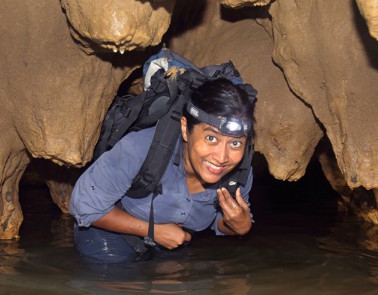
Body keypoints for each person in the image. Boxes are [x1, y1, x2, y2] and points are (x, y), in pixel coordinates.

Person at [69, 78, 255, 262]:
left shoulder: (238, 174)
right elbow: (83, 207)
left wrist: (240, 227)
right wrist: (153, 231)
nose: (222, 158)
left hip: (174, 240)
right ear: (185, 129)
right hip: (112, 232)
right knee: (116, 284)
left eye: (235, 143)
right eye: (211, 139)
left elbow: (221, 223)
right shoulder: (139, 149)